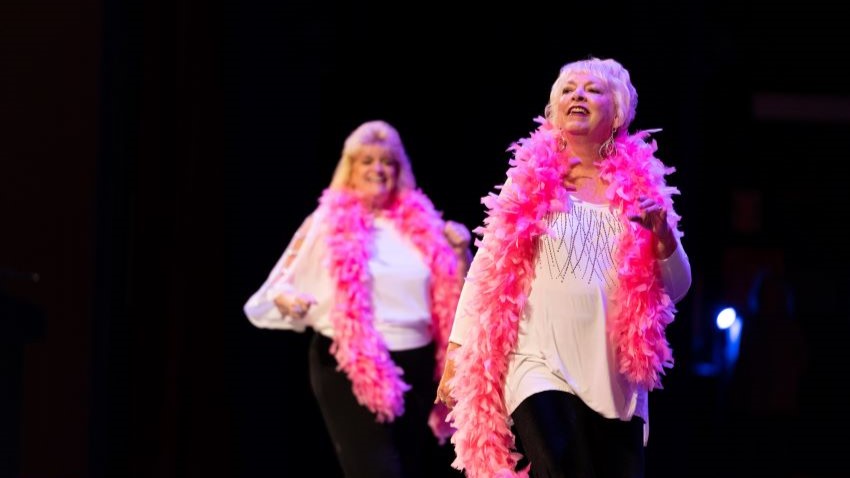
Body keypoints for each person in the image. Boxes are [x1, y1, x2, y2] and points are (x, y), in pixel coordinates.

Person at [435, 57, 692, 478]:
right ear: (554, 111)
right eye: (569, 90)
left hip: (614, 375)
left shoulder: (643, 191)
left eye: (593, 90)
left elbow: (678, 288)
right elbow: (485, 271)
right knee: (560, 466)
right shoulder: (530, 182)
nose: (578, 95)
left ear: (618, 113)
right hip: (535, 360)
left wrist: (664, 239)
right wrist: (457, 352)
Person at [243, 120, 471, 478]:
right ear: (350, 166)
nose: (377, 170)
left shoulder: (421, 221)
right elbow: (282, 281)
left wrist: (460, 254)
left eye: (386, 161)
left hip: (418, 362)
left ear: (399, 168)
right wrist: (289, 300)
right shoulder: (327, 221)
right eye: (367, 161)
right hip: (350, 363)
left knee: (406, 467)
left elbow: (454, 299)